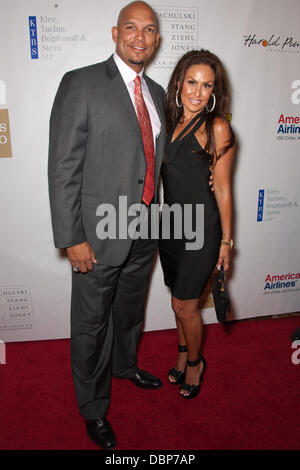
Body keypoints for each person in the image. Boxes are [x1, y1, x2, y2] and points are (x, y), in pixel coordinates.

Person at [48, 1, 166, 449]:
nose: (140, 36)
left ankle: (124, 364)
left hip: (146, 229)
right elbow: (63, 167)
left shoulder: (156, 92)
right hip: (96, 235)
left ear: (157, 39)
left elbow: (155, 162)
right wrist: (72, 236)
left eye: (149, 29)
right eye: (131, 28)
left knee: (129, 312)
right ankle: (94, 407)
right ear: (115, 33)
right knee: (91, 322)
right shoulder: (81, 83)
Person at [159, 50, 235, 399]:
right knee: (177, 301)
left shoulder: (216, 127)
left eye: (207, 86)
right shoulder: (167, 119)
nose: (197, 92)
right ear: (179, 82)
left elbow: (221, 187)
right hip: (171, 226)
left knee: (184, 306)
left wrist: (227, 243)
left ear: (214, 92)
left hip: (202, 229)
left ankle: (194, 364)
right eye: (192, 82)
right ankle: (180, 354)